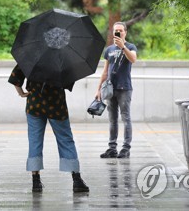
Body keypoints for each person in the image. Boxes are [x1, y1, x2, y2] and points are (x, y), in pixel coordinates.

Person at [8, 64, 90, 193]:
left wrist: (22, 93)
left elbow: (15, 78)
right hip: (57, 105)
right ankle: (77, 179)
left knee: (35, 140)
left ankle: (36, 181)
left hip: (34, 104)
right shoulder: (63, 58)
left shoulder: (31, 56)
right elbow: (68, 82)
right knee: (66, 140)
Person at [95, 21, 137, 159]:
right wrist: (98, 89)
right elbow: (105, 71)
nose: (117, 33)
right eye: (115, 31)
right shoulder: (109, 50)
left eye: (120, 30)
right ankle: (112, 148)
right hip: (110, 89)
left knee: (126, 118)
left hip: (124, 88)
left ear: (125, 32)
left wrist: (123, 47)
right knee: (112, 119)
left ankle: (126, 148)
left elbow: (133, 59)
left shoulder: (130, 47)